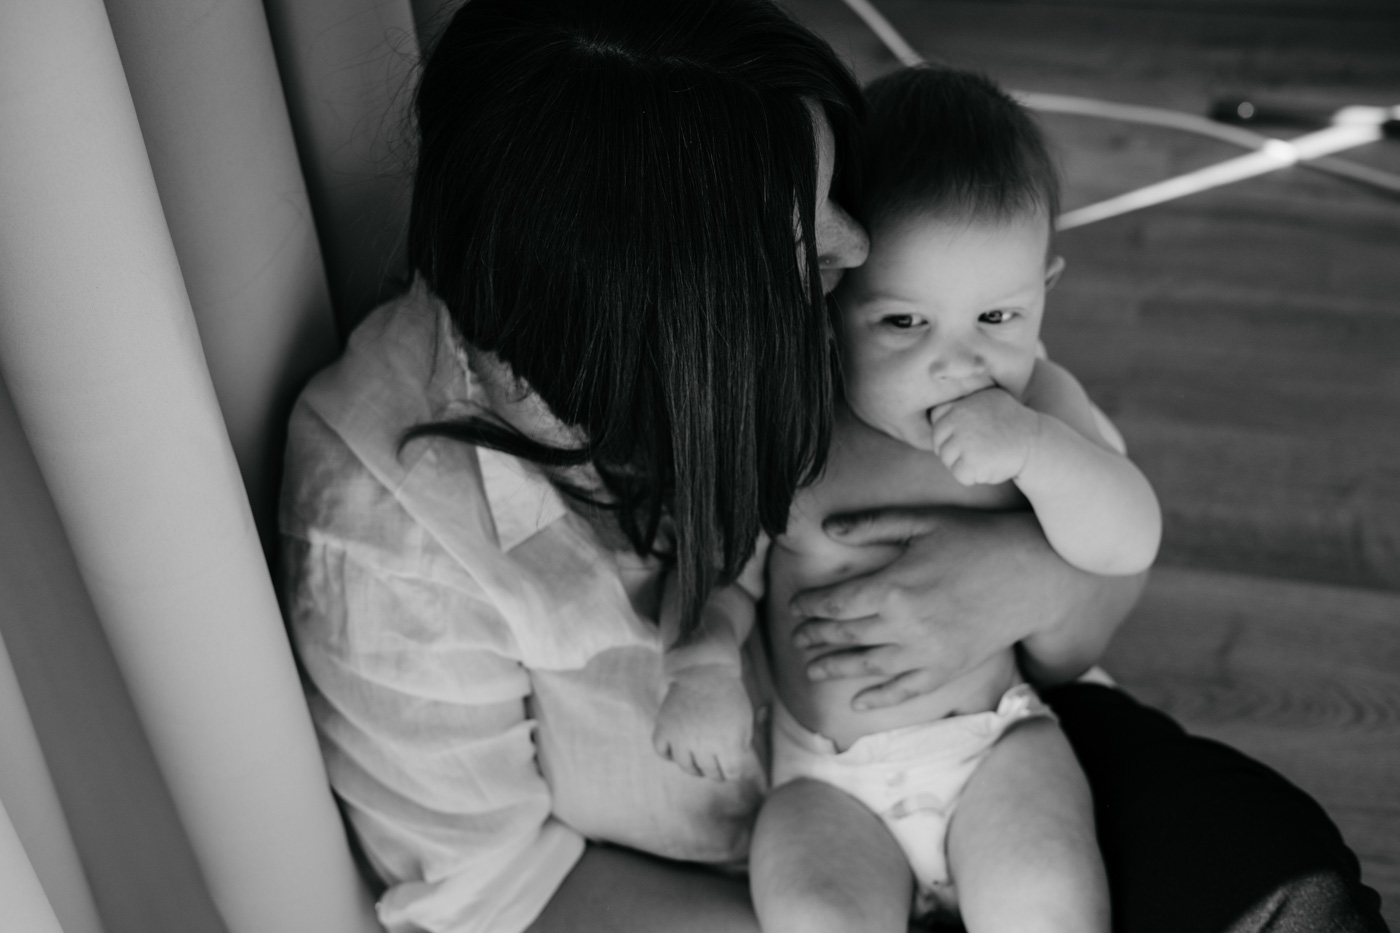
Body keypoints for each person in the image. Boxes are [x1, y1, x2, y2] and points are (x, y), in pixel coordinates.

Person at [277, 1, 1390, 932]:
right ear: (678, 321)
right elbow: (502, 895)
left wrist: (1028, 575)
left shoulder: (874, 317)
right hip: (747, 878)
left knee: (1298, 897)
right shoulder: (392, 525)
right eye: (806, 242)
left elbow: (1106, 561)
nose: (856, 250)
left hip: (1002, 744)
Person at [651, 66, 1157, 933]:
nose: (956, 364)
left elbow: (1129, 538)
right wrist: (700, 668)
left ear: (1045, 290)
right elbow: (722, 574)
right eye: (904, 322)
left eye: (997, 318)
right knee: (815, 913)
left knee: (1045, 898)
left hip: (995, 748)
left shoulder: (1041, 404)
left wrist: (1037, 451)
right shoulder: (796, 431)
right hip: (826, 781)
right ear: (829, 305)